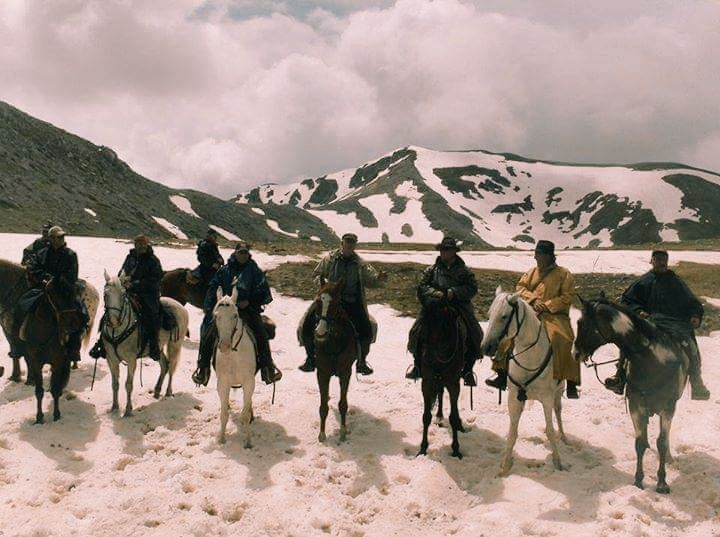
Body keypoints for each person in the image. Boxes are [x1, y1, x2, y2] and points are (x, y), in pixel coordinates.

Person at [604, 250, 710, 400]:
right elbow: (627, 301)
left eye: (664, 260)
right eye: (658, 259)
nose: (662, 263)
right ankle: (619, 377)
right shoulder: (643, 282)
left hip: (675, 325)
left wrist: (695, 315)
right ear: (652, 260)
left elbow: (692, 302)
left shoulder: (676, 282)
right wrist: (639, 311)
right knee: (629, 344)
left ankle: (697, 384)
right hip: (650, 323)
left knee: (691, 348)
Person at [485, 240, 581, 398]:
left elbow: (567, 296)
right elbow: (520, 288)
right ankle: (501, 373)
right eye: (536, 254)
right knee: (510, 334)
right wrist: (533, 300)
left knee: (564, 338)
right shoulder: (531, 273)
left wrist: (547, 305)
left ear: (550, 256)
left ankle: (570, 381)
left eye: (540, 254)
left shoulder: (564, 274)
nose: (537, 257)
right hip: (531, 312)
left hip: (555, 315)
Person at [192, 241, 282, 386]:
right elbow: (213, 287)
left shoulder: (254, 271)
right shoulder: (224, 270)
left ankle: (267, 368)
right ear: (235, 253)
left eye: (245, 252)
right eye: (240, 252)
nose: (243, 255)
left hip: (248, 311)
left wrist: (250, 302)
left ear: (248, 254)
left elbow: (264, 292)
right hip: (226, 311)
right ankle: (203, 369)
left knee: (261, 334)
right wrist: (210, 307)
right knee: (208, 333)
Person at [298, 233, 386, 375]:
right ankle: (310, 359)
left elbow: (372, 280)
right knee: (307, 323)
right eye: (347, 242)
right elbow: (316, 274)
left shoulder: (360, 263)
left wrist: (379, 279)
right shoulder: (330, 259)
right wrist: (324, 287)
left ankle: (361, 361)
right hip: (329, 300)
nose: (350, 245)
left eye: (352, 243)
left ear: (355, 245)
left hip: (351, 302)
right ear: (342, 243)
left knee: (367, 328)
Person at [405, 237, 483, 386]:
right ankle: (417, 365)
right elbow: (422, 287)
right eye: (442, 250)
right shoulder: (431, 270)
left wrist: (455, 292)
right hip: (434, 306)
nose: (444, 252)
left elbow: (472, 288)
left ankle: (467, 370)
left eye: (447, 249)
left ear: (454, 251)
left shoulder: (464, 271)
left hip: (458, 306)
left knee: (475, 332)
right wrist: (437, 294)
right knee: (416, 331)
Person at [90, 235, 163, 360]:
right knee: (111, 309)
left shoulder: (153, 260)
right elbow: (122, 271)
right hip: (129, 290)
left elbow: (155, 279)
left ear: (147, 244)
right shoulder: (130, 258)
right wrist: (122, 281)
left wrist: (136, 284)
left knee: (151, 314)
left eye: (143, 244)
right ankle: (101, 343)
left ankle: (154, 346)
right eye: (139, 244)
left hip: (147, 293)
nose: (141, 247)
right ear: (135, 245)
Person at [23, 226, 85, 362]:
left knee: (82, 314)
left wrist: (56, 280)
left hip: (64, 290)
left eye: (62, 236)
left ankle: (73, 349)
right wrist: (45, 278)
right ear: (51, 239)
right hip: (43, 289)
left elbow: (72, 275)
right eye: (58, 237)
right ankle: (20, 344)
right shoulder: (42, 253)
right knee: (22, 306)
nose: (61, 239)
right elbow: (33, 268)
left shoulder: (70, 255)